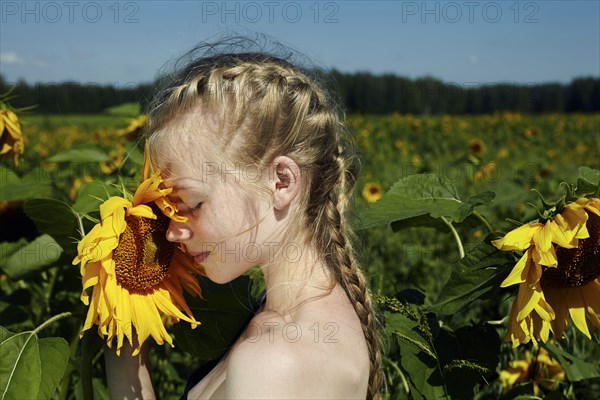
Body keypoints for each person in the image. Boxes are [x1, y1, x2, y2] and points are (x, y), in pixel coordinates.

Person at [105, 35, 382, 400]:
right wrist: (122, 322)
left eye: (191, 203)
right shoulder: (284, 312)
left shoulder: (273, 363)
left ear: (281, 182)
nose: (171, 232)